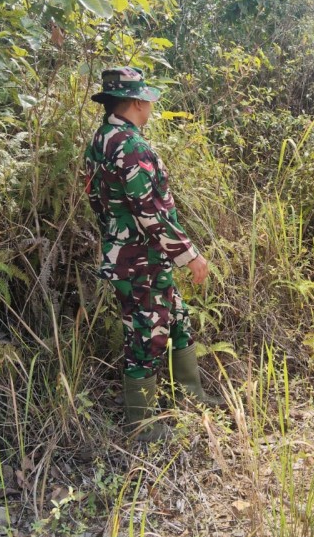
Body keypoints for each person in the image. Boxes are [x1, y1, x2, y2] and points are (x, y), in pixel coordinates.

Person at [84, 67, 220, 441]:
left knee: (176, 317)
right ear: (135, 102)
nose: (150, 106)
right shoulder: (130, 146)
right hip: (139, 260)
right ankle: (142, 425)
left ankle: (190, 395)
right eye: (146, 99)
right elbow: (151, 212)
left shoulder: (102, 139)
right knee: (145, 334)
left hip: (136, 256)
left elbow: (98, 201)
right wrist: (190, 256)